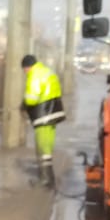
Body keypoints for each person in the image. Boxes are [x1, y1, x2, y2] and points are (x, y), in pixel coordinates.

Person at [20, 54, 66, 188]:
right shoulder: (47, 71)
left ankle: (46, 179)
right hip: (53, 114)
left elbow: (32, 98)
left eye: (24, 70)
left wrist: (24, 103)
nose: (25, 72)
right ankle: (48, 177)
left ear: (27, 67)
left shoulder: (34, 75)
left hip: (43, 115)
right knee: (48, 146)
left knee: (42, 148)